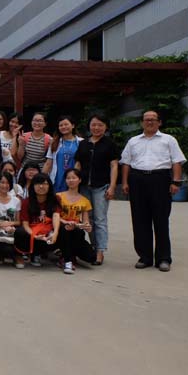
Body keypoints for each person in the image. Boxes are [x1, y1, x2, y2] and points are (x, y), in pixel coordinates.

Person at [120, 110, 185, 272]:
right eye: (146, 119)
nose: (149, 122)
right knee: (139, 220)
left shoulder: (169, 140)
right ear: (142, 122)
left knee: (161, 219)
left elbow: (176, 161)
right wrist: (125, 182)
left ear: (159, 122)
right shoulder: (133, 141)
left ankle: (163, 258)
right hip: (137, 180)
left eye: (153, 119)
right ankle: (145, 257)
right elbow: (126, 163)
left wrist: (176, 182)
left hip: (160, 180)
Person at [74, 113, 118, 265]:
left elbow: (114, 166)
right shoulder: (83, 144)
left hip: (101, 186)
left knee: (100, 219)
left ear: (106, 127)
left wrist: (112, 186)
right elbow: (78, 164)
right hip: (84, 187)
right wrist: (74, 182)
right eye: (93, 124)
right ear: (89, 126)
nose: (96, 127)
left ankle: (100, 251)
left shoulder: (110, 144)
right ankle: (94, 246)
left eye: (100, 125)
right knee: (88, 218)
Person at [14, 173, 60, 269]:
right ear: (33, 186)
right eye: (38, 184)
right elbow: (25, 224)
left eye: (45, 184)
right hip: (33, 231)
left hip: (48, 232)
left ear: (49, 186)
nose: (41, 186)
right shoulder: (26, 202)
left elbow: (56, 216)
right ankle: (20, 255)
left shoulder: (55, 199)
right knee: (20, 231)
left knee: (63, 230)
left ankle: (38, 254)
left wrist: (55, 233)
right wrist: (34, 236)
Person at [55, 169, 96, 274]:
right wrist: (65, 222)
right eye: (68, 178)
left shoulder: (85, 201)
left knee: (92, 257)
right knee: (66, 230)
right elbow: (53, 216)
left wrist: (87, 227)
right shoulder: (58, 196)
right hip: (61, 229)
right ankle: (67, 261)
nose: (71, 180)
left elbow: (86, 222)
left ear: (80, 180)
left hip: (76, 231)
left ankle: (66, 253)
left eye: (74, 178)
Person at [43, 115, 82, 192]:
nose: (63, 127)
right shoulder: (54, 142)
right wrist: (41, 178)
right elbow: (48, 163)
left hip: (73, 179)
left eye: (66, 124)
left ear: (73, 125)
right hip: (57, 178)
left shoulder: (81, 142)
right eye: (61, 125)